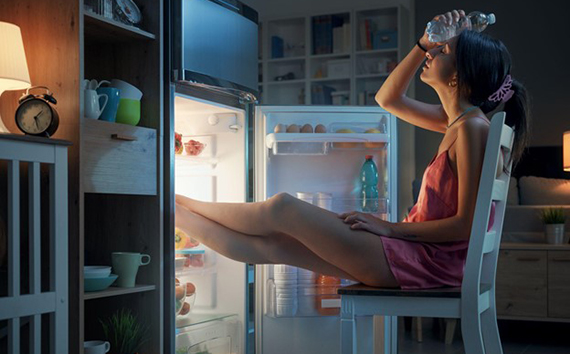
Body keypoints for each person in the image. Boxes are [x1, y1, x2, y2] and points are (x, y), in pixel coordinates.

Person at [175, 10, 530, 289]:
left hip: (426, 262)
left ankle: (175, 203)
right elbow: (387, 98)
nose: (433, 52)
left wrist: (390, 229)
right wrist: (422, 43)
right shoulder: (458, 122)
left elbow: (467, 225)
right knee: (275, 245)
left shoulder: (471, 129)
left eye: (443, 51)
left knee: (281, 207)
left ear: (457, 76)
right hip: (417, 256)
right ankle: (173, 211)